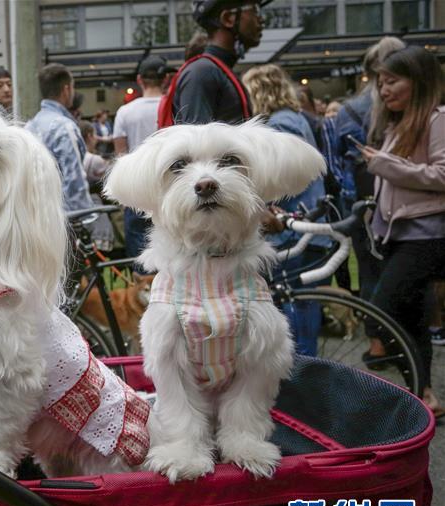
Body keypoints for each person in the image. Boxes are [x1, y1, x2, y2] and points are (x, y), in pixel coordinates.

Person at [360, 45, 445, 417]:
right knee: (411, 316)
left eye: (392, 81)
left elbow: (442, 174)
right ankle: (424, 396)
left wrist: (385, 166)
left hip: (425, 236)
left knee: (382, 310)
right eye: (381, 82)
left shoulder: (437, 119)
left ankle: (413, 389)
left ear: (419, 81)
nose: (384, 90)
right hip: (400, 234)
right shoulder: (398, 123)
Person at [242, 64, 329, 356]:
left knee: (295, 314)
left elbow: (281, 182)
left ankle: (300, 388)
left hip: (293, 229)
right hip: (310, 225)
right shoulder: (297, 117)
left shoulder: (279, 125)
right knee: (304, 307)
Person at [330, 37, 406, 300]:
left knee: (368, 267)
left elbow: (337, 155)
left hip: (361, 199)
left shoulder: (348, 110)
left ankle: (375, 330)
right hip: (405, 200)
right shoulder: (412, 110)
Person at [26, 63, 113, 249]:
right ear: (67, 89)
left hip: (34, 217)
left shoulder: (30, 126)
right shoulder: (64, 127)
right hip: (62, 222)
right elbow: (74, 181)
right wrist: (89, 221)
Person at [114, 55, 173, 263]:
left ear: (140, 80)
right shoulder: (173, 106)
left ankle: (142, 294)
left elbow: (120, 156)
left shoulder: (125, 112)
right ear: (165, 79)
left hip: (136, 190)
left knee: (139, 257)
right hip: (169, 190)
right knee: (173, 252)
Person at [170, 0, 264, 124]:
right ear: (228, 18)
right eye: (254, 10)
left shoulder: (217, 70)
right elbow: (198, 142)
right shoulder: (202, 72)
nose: (261, 19)